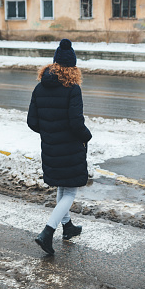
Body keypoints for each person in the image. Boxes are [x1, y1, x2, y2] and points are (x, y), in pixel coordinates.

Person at [27, 39, 92, 255]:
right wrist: (86, 136)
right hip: (70, 147)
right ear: (72, 67)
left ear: (54, 64)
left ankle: (68, 227)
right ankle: (47, 232)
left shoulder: (39, 87)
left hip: (50, 146)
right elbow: (76, 122)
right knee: (70, 191)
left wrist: (50, 132)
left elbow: (32, 122)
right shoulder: (72, 89)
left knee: (62, 187)